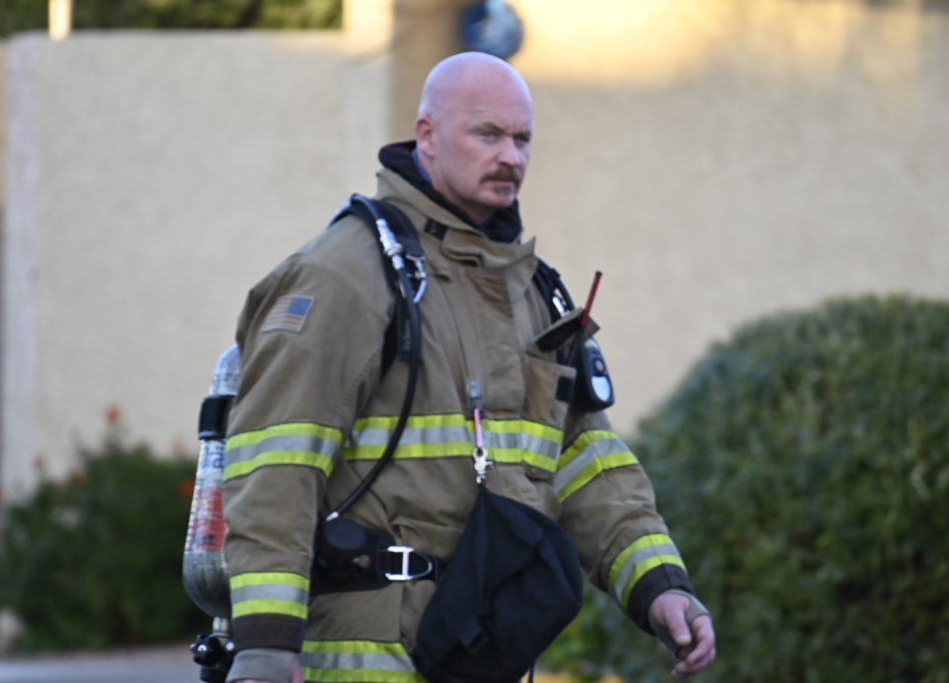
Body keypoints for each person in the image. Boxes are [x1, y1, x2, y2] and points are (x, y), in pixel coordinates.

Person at [222, 51, 716, 683]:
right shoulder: (344, 277)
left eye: (522, 138)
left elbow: (588, 464)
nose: (510, 156)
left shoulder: (531, 293)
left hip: (480, 648)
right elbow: (275, 468)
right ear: (426, 135)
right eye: (488, 134)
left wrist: (660, 587)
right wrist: (266, 646)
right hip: (364, 656)